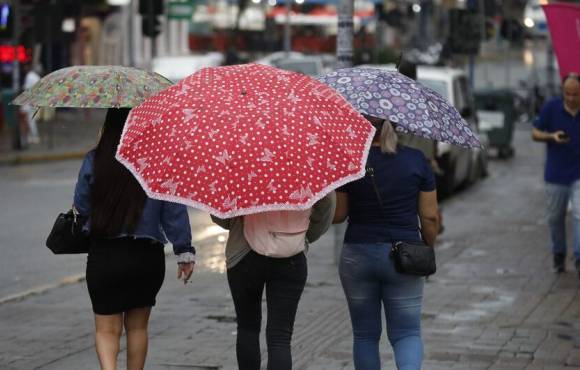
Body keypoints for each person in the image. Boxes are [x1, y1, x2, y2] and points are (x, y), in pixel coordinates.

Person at [73, 108, 196, 370]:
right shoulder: (157, 161)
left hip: (105, 256)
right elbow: (173, 210)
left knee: (106, 330)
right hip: (145, 257)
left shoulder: (95, 160)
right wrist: (184, 251)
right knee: (138, 328)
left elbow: (81, 206)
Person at [333, 115, 440, 370]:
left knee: (365, 335)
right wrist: (428, 246)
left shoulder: (352, 160)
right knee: (407, 333)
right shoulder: (416, 160)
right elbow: (430, 216)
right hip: (404, 257)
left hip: (357, 255)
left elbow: (338, 216)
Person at [210, 193, 336, 370]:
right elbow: (327, 203)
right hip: (292, 255)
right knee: (281, 337)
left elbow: (220, 215)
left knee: (247, 328)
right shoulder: (307, 166)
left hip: (244, 255)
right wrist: (305, 234)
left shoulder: (241, 165)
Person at [532, 73, 580, 275]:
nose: (570, 98)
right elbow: (535, 132)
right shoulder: (551, 107)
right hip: (556, 175)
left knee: (579, 215)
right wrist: (551, 136)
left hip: (578, 175)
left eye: (575, 94)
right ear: (562, 91)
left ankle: (579, 257)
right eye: (567, 93)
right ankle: (559, 253)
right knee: (555, 218)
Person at [21, 63, 41, 144]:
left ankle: (33, 136)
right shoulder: (36, 76)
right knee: (31, 119)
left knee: (29, 119)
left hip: (29, 101)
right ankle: (31, 136)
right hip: (34, 101)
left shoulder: (29, 76)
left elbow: (26, 88)